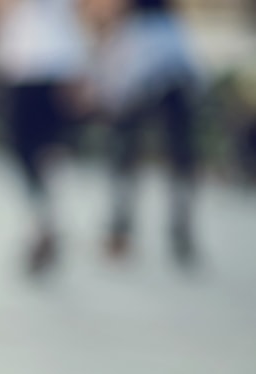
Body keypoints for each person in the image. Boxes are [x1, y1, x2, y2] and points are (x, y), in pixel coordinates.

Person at [0, 0, 90, 275]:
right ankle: (44, 215)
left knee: (30, 149)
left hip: (39, 64)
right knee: (34, 149)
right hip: (39, 62)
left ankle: (43, 215)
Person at [86, 0, 200, 265]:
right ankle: (176, 231)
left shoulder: (135, 26)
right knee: (177, 154)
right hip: (170, 61)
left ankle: (122, 229)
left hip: (142, 60)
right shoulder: (165, 24)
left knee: (125, 150)